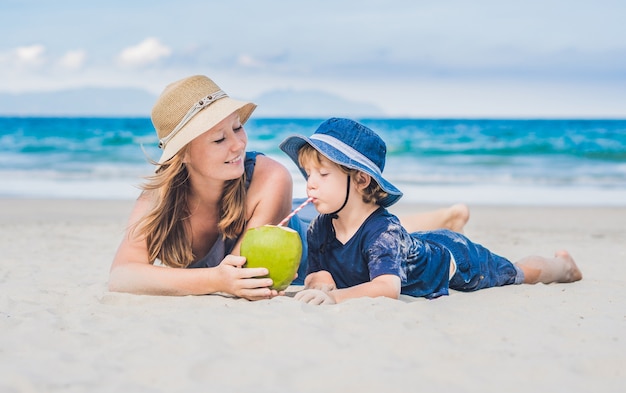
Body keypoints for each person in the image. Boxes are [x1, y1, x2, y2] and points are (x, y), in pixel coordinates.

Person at [108, 75, 471, 300]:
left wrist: (215, 280)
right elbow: (122, 275)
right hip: (307, 212)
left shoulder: (269, 177)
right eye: (219, 139)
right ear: (183, 155)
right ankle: (445, 217)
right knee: (372, 229)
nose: (238, 145)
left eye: (237, 128)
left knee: (368, 230)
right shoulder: (160, 198)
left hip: (305, 229)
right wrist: (214, 280)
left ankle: (445, 219)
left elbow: (250, 274)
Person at [279, 118, 583, 305]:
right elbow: (322, 272)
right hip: (415, 245)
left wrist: (335, 297)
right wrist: (317, 282)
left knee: (516, 273)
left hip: (457, 260)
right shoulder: (320, 226)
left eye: (323, 174)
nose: (310, 185)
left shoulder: (383, 231)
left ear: (360, 179)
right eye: (308, 174)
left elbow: (387, 288)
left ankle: (563, 266)